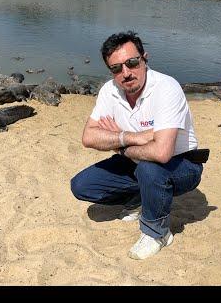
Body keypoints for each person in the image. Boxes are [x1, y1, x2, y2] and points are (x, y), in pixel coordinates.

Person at [70, 31, 206, 260]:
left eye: (132, 63)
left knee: (150, 168)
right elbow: (88, 137)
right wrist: (132, 137)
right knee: (82, 185)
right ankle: (139, 199)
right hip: (135, 161)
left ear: (144, 58)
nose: (126, 73)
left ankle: (157, 233)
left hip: (182, 165)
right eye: (116, 68)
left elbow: (162, 153)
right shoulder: (109, 91)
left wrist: (118, 144)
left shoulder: (166, 88)